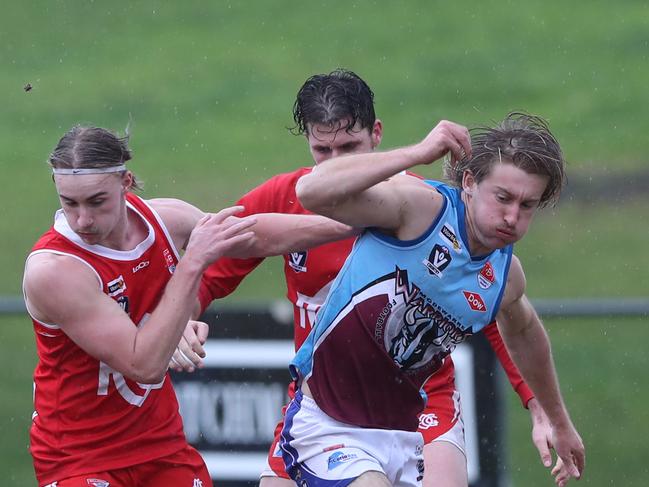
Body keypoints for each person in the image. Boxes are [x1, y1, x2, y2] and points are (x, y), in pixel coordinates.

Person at [198, 70, 554, 487]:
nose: (336, 162)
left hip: (420, 396)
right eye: (322, 150)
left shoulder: (418, 209)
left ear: (377, 135)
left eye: (350, 147)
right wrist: (184, 319)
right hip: (330, 396)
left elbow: (496, 306)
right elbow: (211, 267)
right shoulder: (288, 196)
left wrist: (539, 406)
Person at [22, 125, 350, 487]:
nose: (82, 219)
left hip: (160, 445)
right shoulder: (54, 270)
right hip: (80, 457)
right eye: (69, 203)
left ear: (125, 182)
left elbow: (252, 235)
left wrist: (352, 224)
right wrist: (192, 263)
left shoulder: (166, 219)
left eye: (97, 201)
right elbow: (143, 363)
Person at [285, 112, 585, 486]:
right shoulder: (420, 209)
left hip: (404, 436)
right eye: (503, 198)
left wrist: (558, 421)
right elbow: (309, 192)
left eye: (527, 206)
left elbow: (525, 332)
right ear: (470, 182)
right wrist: (418, 152)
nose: (512, 217)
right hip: (328, 424)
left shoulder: (505, 277)